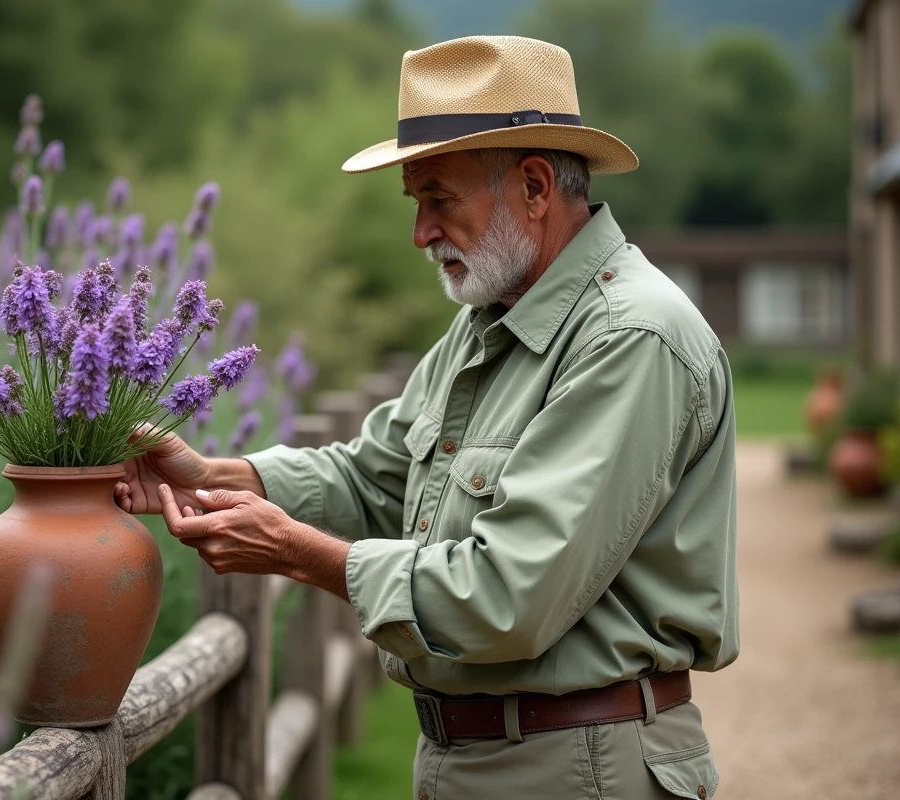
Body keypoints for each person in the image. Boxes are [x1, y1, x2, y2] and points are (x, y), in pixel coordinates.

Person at [115, 35, 736, 800]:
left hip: (576, 766)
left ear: (536, 186)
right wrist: (219, 476)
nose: (421, 233)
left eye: (440, 200)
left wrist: (296, 553)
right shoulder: (492, 318)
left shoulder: (630, 338)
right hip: (491, 756)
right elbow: (378, 475)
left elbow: (509, 597)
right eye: (417, 203)